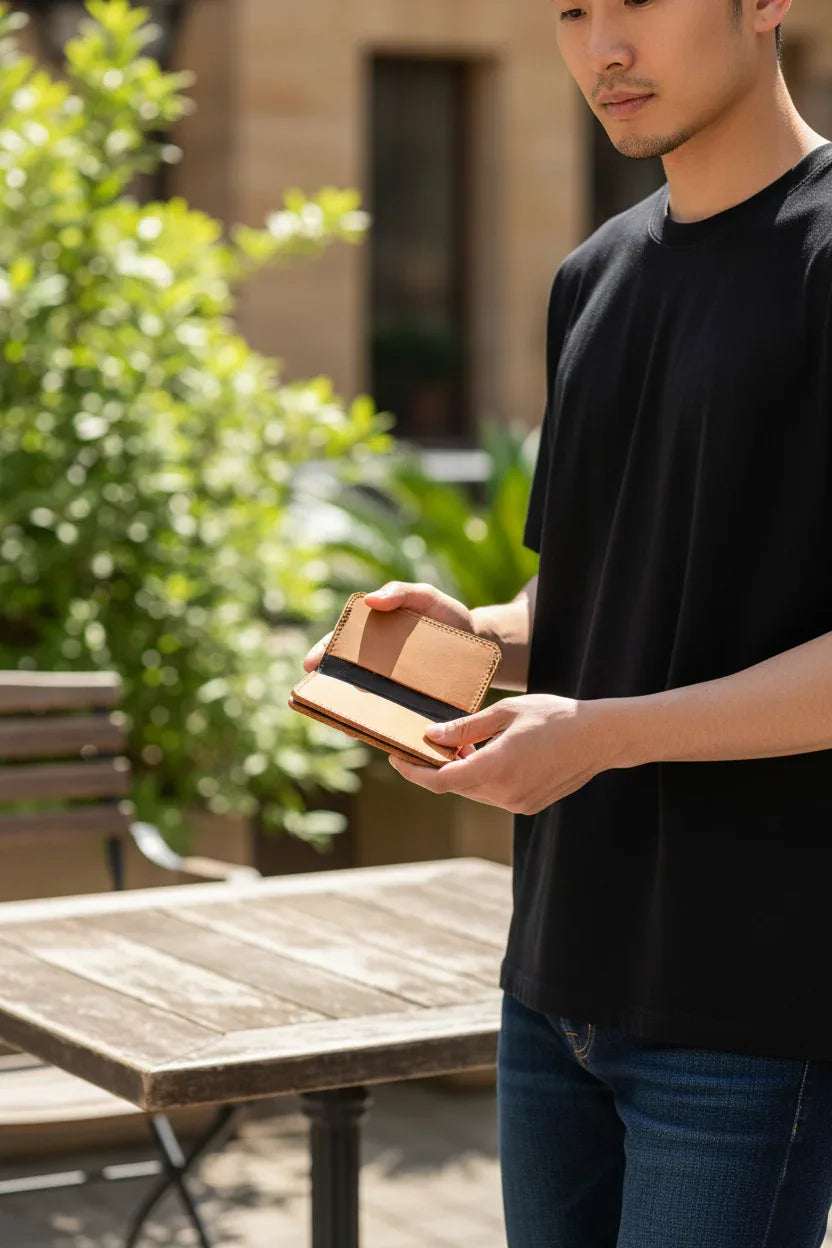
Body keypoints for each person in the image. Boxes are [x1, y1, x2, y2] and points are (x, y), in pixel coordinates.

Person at [304, 0, 832, 1242]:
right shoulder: (591, 276)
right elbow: (590, 583)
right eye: (572, 10)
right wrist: (474, 634)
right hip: (552, 979)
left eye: (637, 1)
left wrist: (598, 733)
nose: (602, 47)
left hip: (748, 1002)